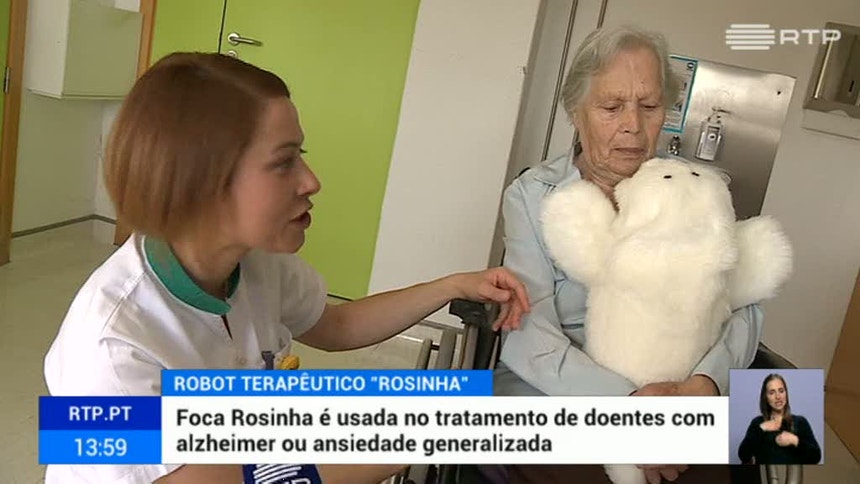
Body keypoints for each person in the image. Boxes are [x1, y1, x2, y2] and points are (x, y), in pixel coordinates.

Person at [42, 52, 530, 484]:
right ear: (199, 180)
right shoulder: (112, 347)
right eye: (283, 162)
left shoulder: (256, 263)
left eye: (302, 156)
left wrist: (451, 286)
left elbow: (337, 326)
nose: (311, 181)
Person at [493, 25, 764, 483]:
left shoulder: (694, 186)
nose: (633, 126)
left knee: (783, 426)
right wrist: (630, 407)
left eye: (650, 106)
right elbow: (527, 329)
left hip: (685, 388)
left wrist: (705, 385)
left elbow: (746, 302)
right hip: (566, 392)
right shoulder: (532, 196)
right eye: (612, 107)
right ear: (576, 112)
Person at [738, 374, 822, 465]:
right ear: (765, 397)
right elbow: (743, 456)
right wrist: (761, 429)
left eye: (781, 391)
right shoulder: (758, 423)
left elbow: (816, 457)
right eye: (772, 393)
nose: (778, 397)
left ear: (786, 393)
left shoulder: (800, 422)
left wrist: (795, 440)